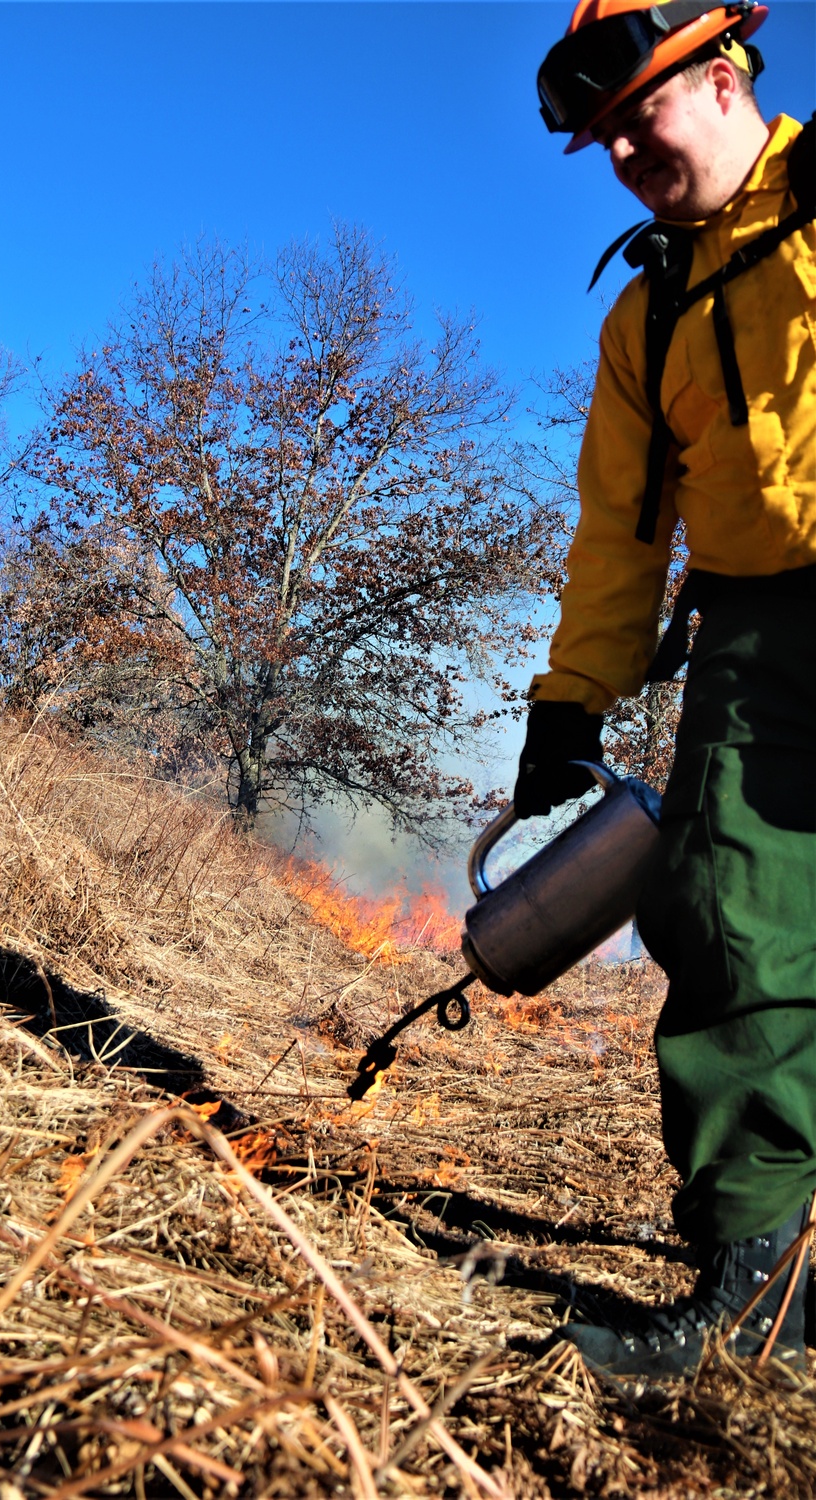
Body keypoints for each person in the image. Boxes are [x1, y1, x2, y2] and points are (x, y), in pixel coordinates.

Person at [516, 0, 815, 1377]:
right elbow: (619, 532)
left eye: (646, 104)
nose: (627, 143)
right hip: (758, 641)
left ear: (727, 68)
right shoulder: (645, 317)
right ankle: (760, 1290)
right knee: (734, 925)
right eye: (606, 131)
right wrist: (570, 698)